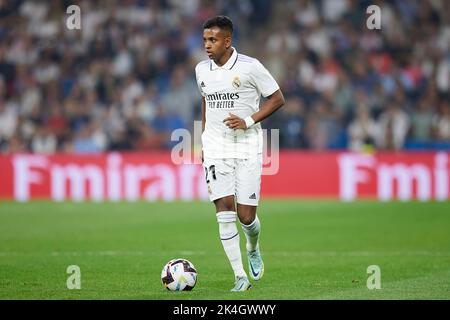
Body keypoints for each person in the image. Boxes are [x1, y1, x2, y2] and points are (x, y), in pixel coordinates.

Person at [195, 16, 285, 292]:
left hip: (246, 145)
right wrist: (202, 141)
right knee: (224, 208)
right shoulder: (201, 69)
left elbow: (277, 98)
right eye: (205, 40)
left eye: (213, 40)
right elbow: (206, 101)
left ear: (227, 41)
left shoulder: (250, 67)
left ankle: (253, 247)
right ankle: (239, 276)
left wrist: (247, 121)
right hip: (215, 147)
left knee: (246, 216)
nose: (208, 46)